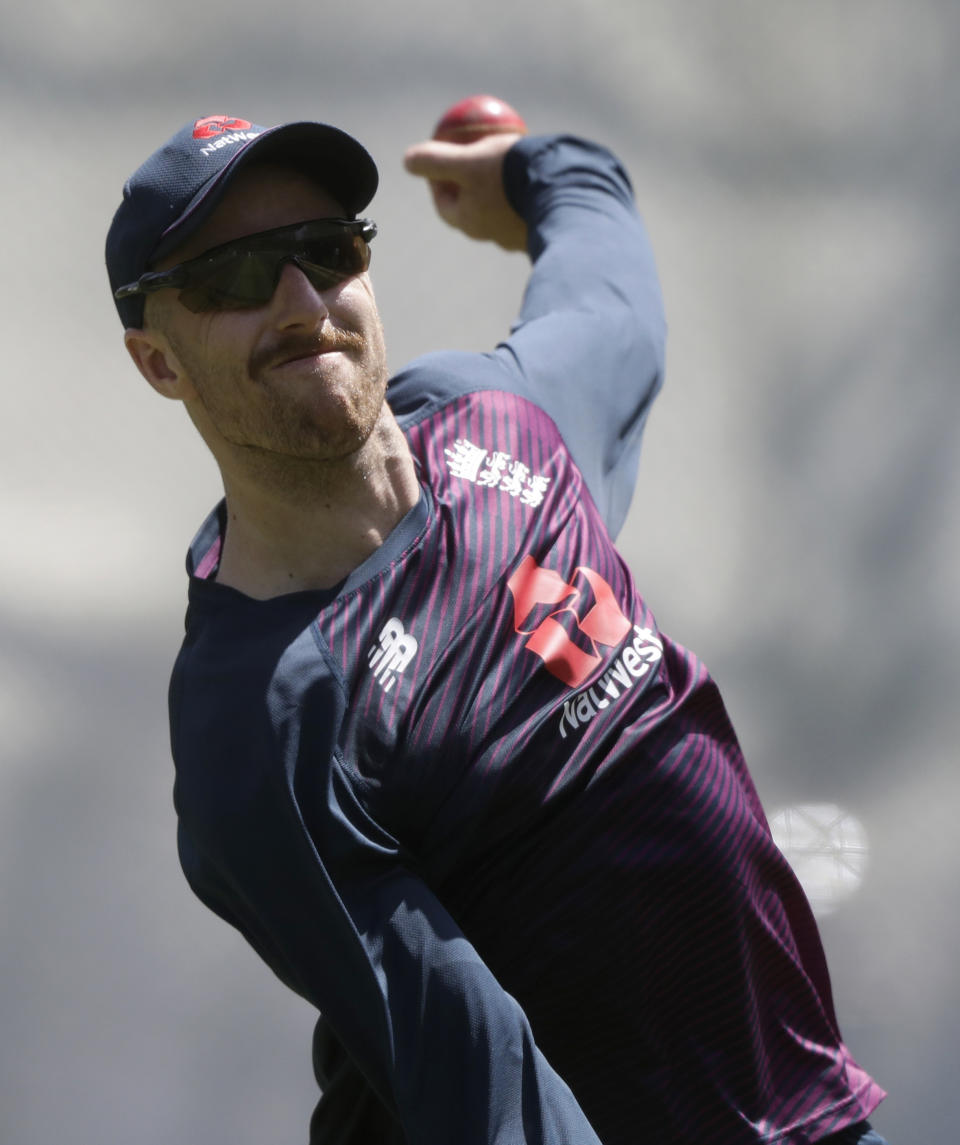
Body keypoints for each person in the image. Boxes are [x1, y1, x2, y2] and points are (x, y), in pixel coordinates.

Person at [105, 111, 889, 1145]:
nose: (300, 302)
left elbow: (612, 301)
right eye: (231, 278)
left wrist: (540, 170)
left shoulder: (496, 419)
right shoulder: (259, 724)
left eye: (326, 251)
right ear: (159, 361)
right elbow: (482, 1081)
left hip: (809, 1113)